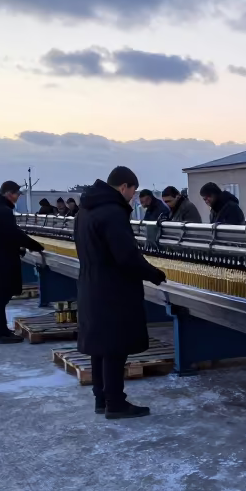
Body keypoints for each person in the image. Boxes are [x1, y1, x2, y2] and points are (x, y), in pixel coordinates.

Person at [75, 166, 168, 419]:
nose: (133, 197)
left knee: (99, 346)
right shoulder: (113, 212)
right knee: (115, 347)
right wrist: (153, 274)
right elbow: (126, 255)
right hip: (113, 288)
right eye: (133, 191)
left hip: (91, 283)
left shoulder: (85, 210)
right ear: (124, 186)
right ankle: (116, 403)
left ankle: (101, 399)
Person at [0, 181, 45, 343]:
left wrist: (17, 249)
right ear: (9, 194)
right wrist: (34, 245)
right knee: (0, 298)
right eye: (17, 194)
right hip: (0, 262)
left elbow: (0, 236)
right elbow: (13, 234)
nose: (18, 197)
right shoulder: (2, 211)